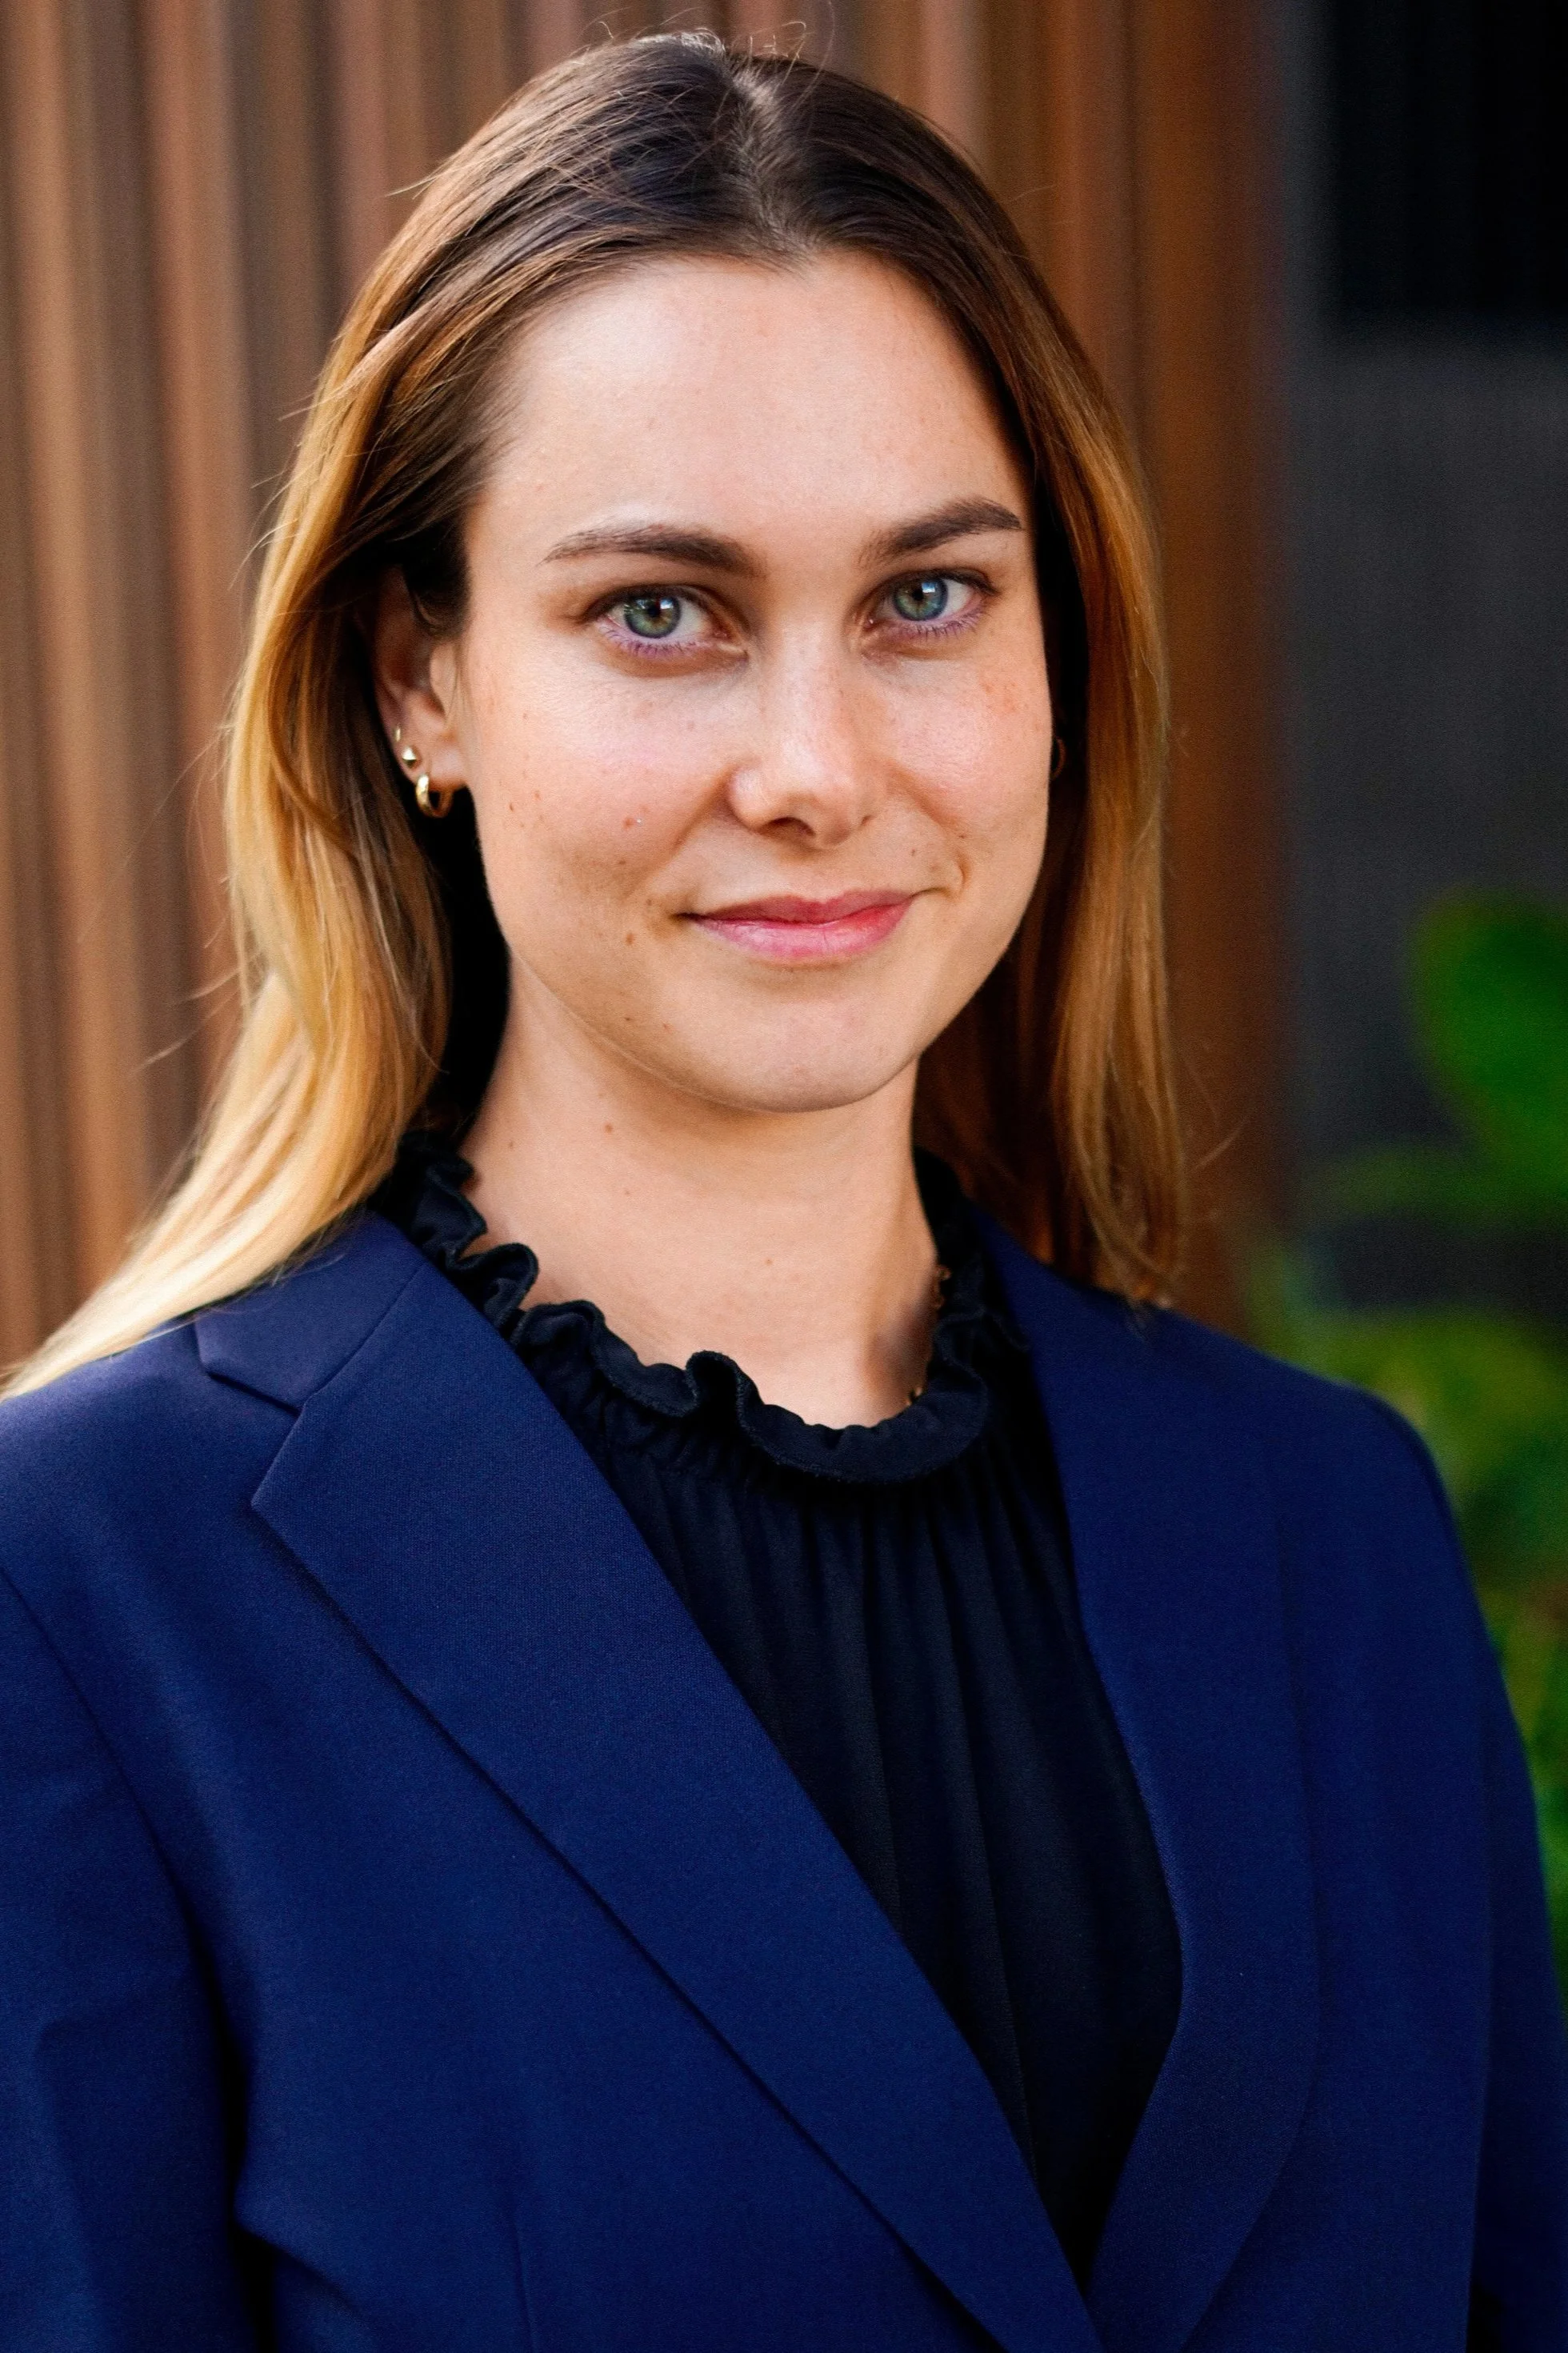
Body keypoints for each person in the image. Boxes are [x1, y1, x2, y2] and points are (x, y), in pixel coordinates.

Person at [0, 33, 1562, 2353]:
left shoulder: (1335, 1535)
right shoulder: (95, 1587)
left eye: (929, 598)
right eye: (664, 611)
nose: (817, 769)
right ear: (420, 676)